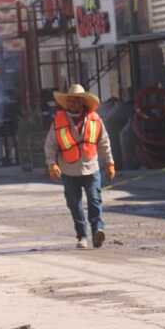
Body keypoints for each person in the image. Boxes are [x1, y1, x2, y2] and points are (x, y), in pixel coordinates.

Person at [44, 84, 115, 249]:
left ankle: (97, 230)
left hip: (91, 168)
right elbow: (50, 145)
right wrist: (51, 164)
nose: (73, 103)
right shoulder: (58, 121)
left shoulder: (95, 119)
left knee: (94, 200)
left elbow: (104, 142)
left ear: (83, 102)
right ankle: (82, 235)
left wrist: (110, 163)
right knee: (74, 204)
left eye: (76, 100)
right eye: (70, 100)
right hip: (69, 171)